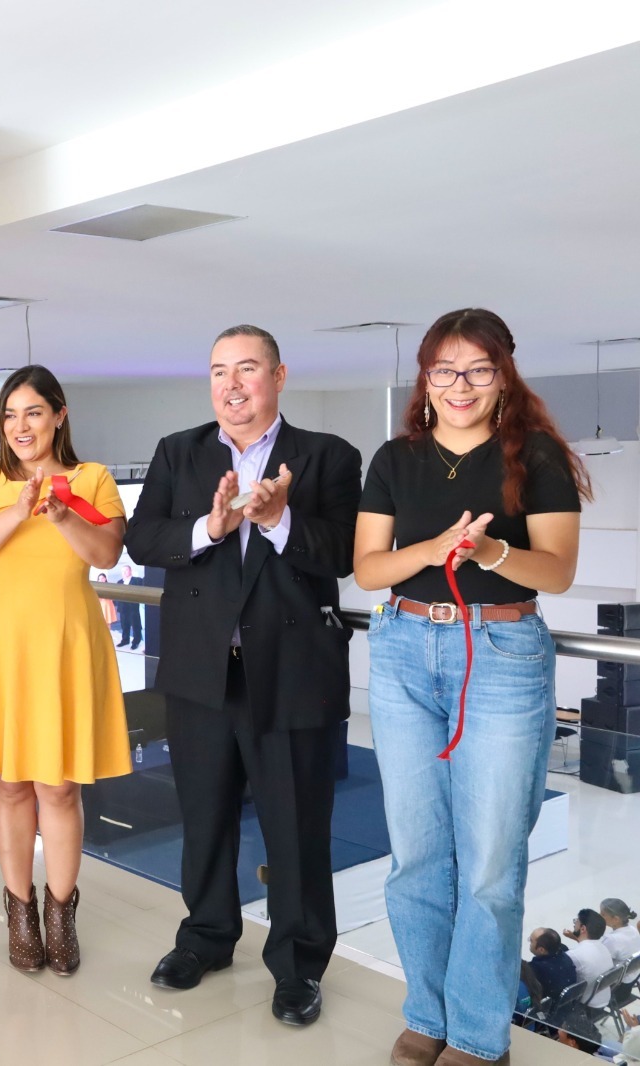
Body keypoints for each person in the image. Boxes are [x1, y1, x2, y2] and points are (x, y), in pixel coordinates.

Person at [355, 308, 589, 1066]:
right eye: (445, 370)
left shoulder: (538, 455)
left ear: (503, 375)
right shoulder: (396, 458)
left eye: (479, 370)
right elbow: (369, 568)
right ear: (426, 378)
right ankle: (428, 1013)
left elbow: (557, 570)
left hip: (501, 652)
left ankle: (478, 1036)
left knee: (489, 863)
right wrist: (431, 548)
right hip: (401, 648)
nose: (461, 385)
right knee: (416, 855)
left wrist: (490, 552)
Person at [125, 325, 361, 1028]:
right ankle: (205, 937)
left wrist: (281, 520)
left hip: (291, 674)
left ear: (278, 377)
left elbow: (344, 554)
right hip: (202, 672)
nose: (231, 385)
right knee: (204, 817)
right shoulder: (179, 451)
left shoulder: (327, 456)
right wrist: (210, 529)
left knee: (297, 829)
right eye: (218, 371)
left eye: (247, 369)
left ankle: (298, 966)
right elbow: (143, 537)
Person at [0, 365, 130, 976]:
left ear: (59, 415)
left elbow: (107, 552)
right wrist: (19, 508)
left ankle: (61, 910)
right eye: (9, 415)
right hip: (0, 646)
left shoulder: (92, 478)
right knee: (10, 784)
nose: (20, 426)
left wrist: (61, 514)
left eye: (33, 412)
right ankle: (20, 908)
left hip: (65, 644)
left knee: (60, 786)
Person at [566, 909, 615, 1012]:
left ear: (583, 928)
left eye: (576, 921)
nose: (574, 924)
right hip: (604, 1001)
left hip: (586, 1006)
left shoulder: (574, 955)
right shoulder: (604, 947)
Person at [520, 928, 577, 1007]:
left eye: (531, 941)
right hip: (568, 1005)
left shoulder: (536, 968)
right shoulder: (564, 953)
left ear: (541, 950)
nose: (529, 943)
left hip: (549, 1009)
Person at [112, 562, 143, 649]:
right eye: (123, 571)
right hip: (123, 608)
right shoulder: (119, 582)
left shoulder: (137, 580)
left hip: (133, 608)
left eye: (126, 570)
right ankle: (125, 640)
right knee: (124, 625)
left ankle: (136, 641)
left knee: (135, 625)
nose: (124, 572)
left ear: (130, 571)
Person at [602, 898, 640, 964]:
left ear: (616, 919)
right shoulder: (633, 929)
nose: (599, 916)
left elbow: (600, 963)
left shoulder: (611, 940)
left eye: (603, 914)